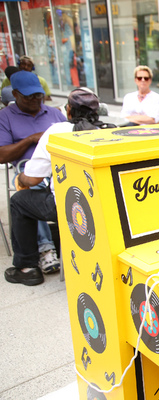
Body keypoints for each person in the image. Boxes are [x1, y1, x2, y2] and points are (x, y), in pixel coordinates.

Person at [5, 87, 105, 286]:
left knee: (18, 201)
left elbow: (32, 179)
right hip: (101, 206)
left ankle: (27, 267)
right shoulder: (108, 130)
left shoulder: (56, 131)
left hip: (68, 206)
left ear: (68, 111)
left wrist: (21, 180)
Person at [0, 71, 66, 276]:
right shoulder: (6, 117)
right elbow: (2, 155)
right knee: (31, 187)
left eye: (38, 95)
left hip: (57, 170)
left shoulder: (54, 114)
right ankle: (47, 249)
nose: (36, 100)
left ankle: (48, 247)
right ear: (16, 94)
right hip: (26, 169)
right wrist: (30, 139)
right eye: (29, 96)